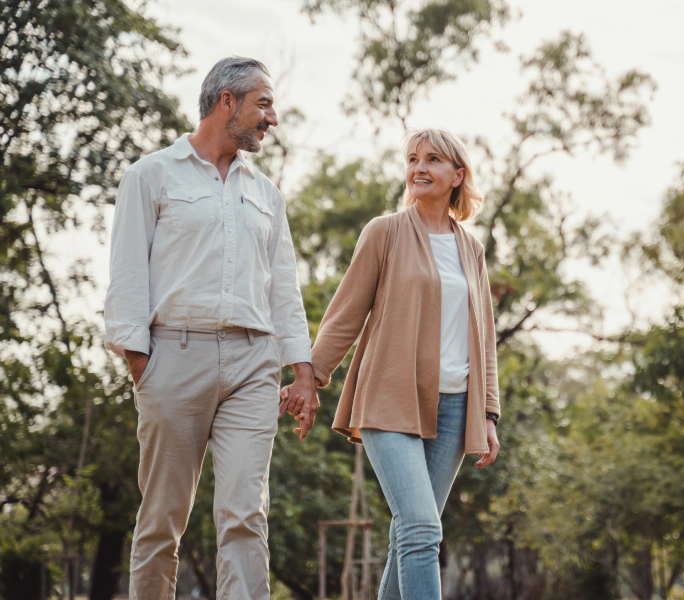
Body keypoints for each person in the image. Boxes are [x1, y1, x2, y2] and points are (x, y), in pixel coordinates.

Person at [104, 56, 319, 600]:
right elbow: (128, 274)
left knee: (246, 514)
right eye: (263, 104)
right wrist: (140, 362)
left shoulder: (267, 194)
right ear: (228, 102)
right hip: (173, 357)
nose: (271, 118)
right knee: (162, 517)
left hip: (252, 365)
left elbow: (283, 289)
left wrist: (303, 371)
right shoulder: (151, 174)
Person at [293, 128, 501, 599]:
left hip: (454, 407)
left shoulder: (472, 249)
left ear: (457, 175)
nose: (419, 168)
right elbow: (345, 314)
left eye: (432, 159)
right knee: (423, 527)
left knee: (410, 532)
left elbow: (484, 339)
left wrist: (488, 413)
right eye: (412, 159)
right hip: (390, 399)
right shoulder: (384, 232)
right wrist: (312, 378)